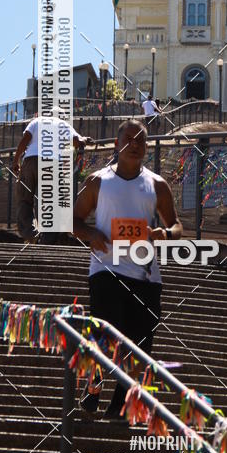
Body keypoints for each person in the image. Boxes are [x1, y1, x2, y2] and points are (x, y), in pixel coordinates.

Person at [73, 119, 182, 418]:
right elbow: (73, 220)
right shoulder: (98, 181)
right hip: (106, 270)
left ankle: (119, 408)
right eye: (129, 139)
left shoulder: (157, 185)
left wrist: (165, 233)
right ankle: (94, 385)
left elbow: (176, 225)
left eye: (141, 140)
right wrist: (91, 234)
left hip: (146, 277)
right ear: (117, 143)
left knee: (138, 345)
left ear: (146, 147)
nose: (135, 145)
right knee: (107, 333)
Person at [12, 113, 90, 242]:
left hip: (30, 161)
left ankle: (30, 234)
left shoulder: (37, 121)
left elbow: (25, 140)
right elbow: (77, 141)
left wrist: (15, 161)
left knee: (24, 198)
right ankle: (48, 237)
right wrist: (85, 140)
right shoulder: (63, 124)